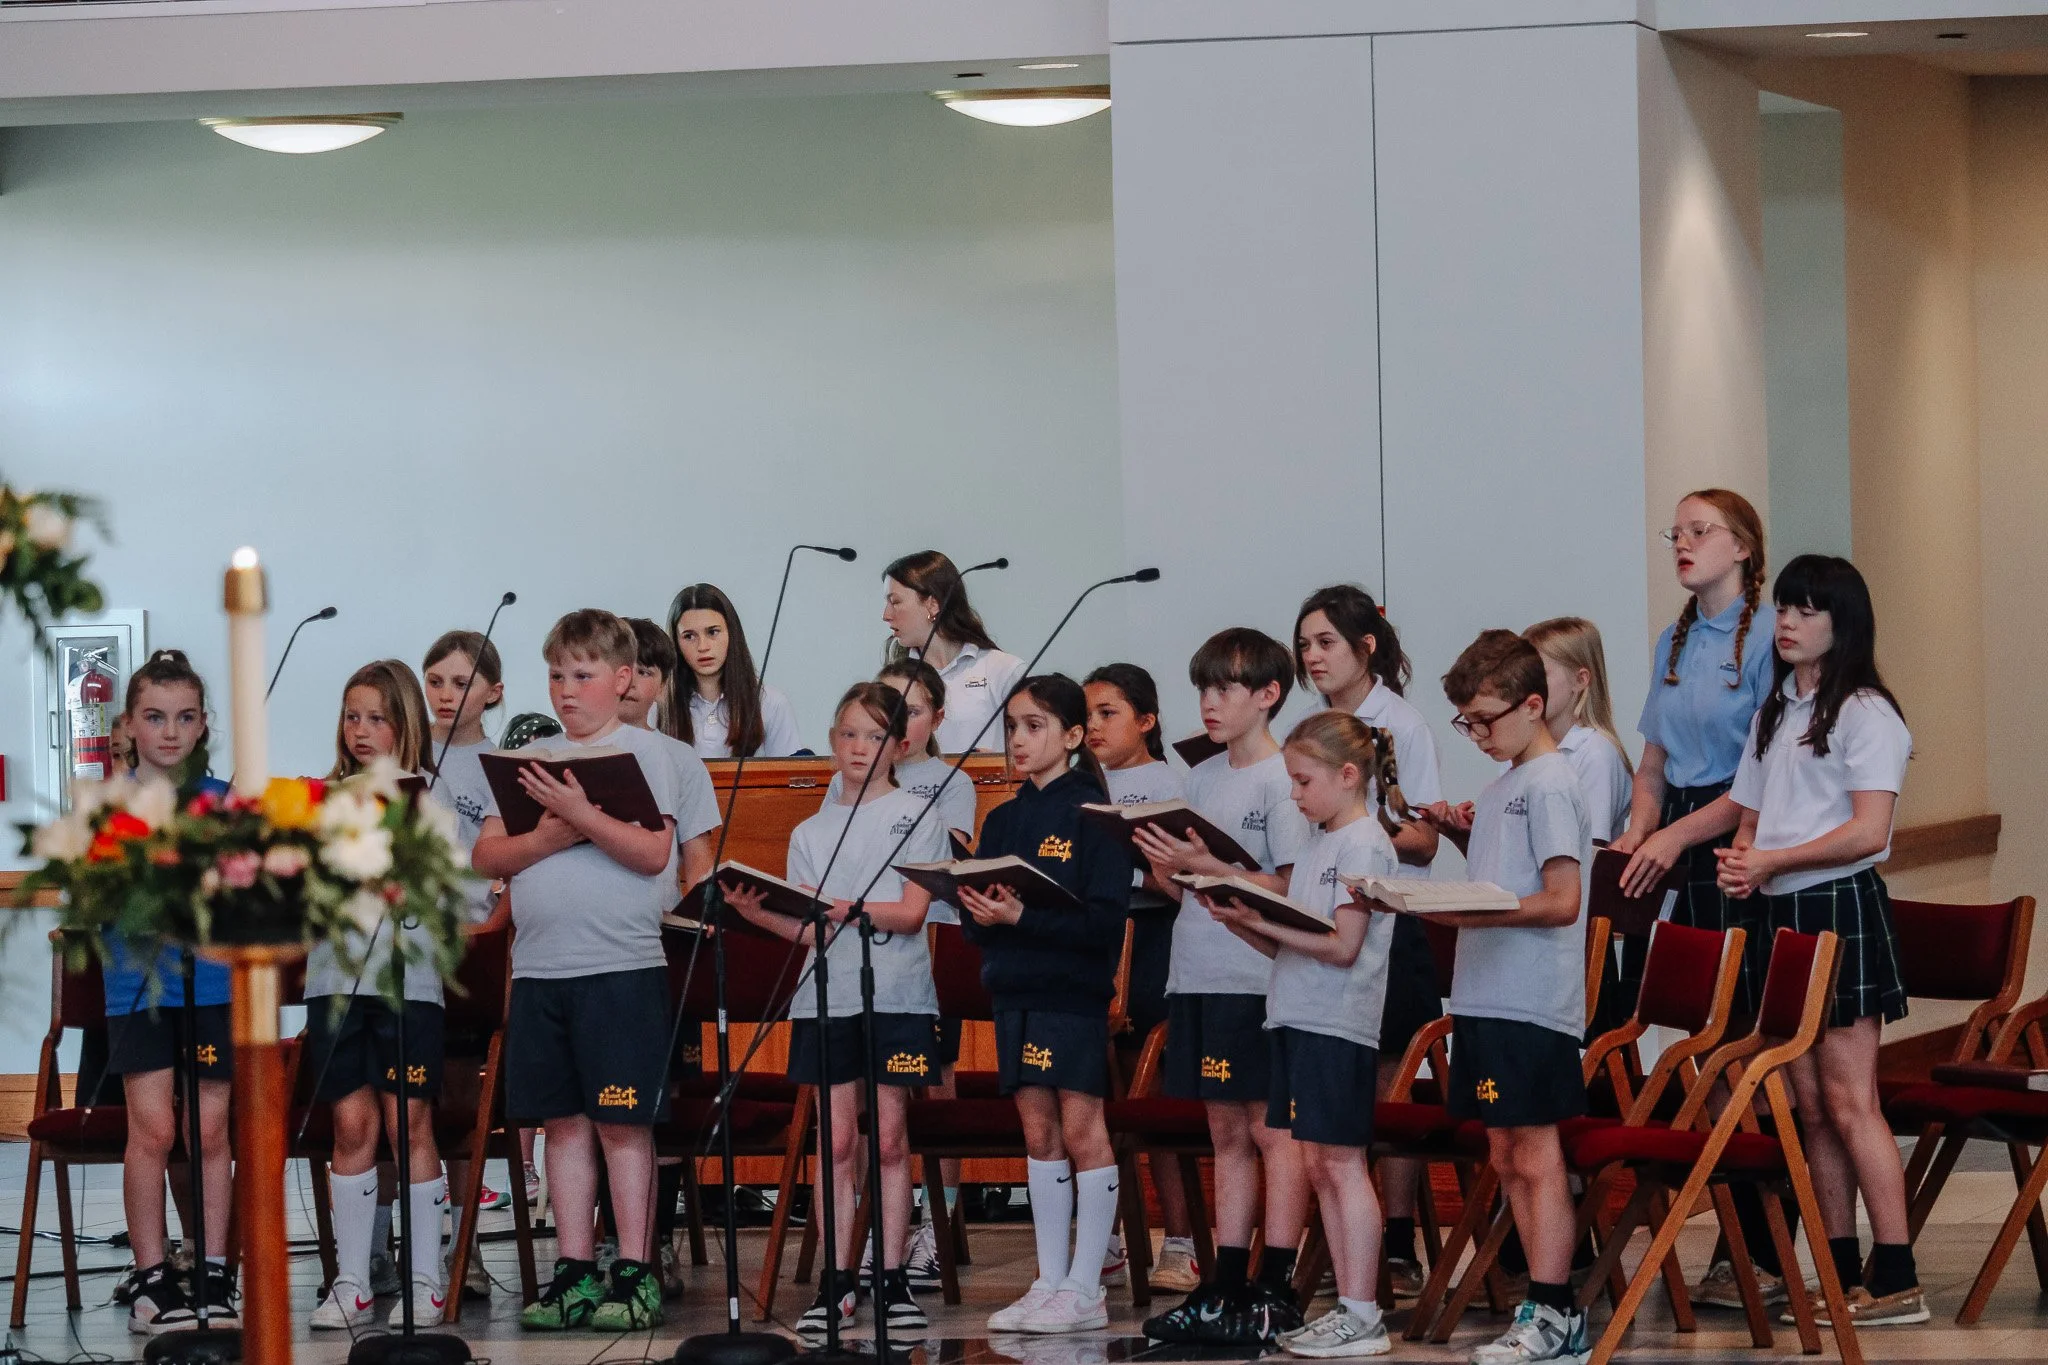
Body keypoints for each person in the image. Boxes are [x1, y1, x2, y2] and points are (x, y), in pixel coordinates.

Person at [474, 610, 718, 1332]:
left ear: (621, 678)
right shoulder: (530, 759)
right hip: (543, 967)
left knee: (621, 1120)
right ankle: (574, 1270)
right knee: (562, 1123)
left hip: (622, 967)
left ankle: (635, 1269)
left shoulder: (659, 755)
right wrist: (550, 832)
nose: (566, 688)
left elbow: (653, 856)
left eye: (583, 674)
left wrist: (582, 811)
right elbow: (488, 856)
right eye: (556, 673)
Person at [1716, 555, 1922, 1325]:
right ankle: (1837, 1267)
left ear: (1844, 623)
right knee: (1806, 1104)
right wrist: (1745, 856)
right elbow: (1751, 807)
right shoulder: (1777, 707)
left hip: (1837, 904)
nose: (1788, 622)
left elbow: (1870, 830)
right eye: (1783, 608)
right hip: (1779, 908)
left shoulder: (1866, 711)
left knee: (1849, 1097)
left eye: (1806, 610)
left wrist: (1773, 857)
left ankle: (1895, 1271)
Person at [725, 682, 953, 1339]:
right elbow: (812, 932)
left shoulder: (916, 813)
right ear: (833, 740)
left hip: (898, 994)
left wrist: (843, 906)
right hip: (826, 1000)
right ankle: (838, 1279)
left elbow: (911, 915)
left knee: (885, 1137)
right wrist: (755, 911)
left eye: (875, 736)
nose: (860, 747)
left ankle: (891, 1278)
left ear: (900, 746)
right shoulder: (808, 830)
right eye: (849, 734)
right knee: (837, 1140)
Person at [1610, 488, 1779, 1306]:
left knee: (1736, 1043)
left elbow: (1758, 777)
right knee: (1693, 1041)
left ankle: (1772, 1245)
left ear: (1743, 546)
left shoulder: (1770, 638)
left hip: (1733, 838)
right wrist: (1637, 831)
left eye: (1699, 530)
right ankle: (1737, 1244)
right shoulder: (1671, 638)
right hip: (1676, 833)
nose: (1682, 542)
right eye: (1674, 531)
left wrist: (1679, 837)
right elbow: (1652, 764)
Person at [1198, 710, 1404, 1358]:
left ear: (1348, 775)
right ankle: (1349, 1307)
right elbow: (1295, 943)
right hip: (1296, 1013)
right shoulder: (1321, 838)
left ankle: (1363, 1312)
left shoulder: (1365, 842)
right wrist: (1237, 918)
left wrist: (1270, 923)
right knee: (1318, 1163)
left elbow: (1342, 945)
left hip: (1338, 1024)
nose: (1294, 793)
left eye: (1303, 780)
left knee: (1341, 1164)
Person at [1413, 630, 1592, 1365]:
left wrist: (1467, 909)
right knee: (1505, 1149)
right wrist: (1462, 843)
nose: (1478, 734)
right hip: (1488, 995)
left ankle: (1557, 1311)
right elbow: (1505, 875)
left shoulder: (1550, 781)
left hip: (1531, 999)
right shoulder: (1503, 787)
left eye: (1487, 719)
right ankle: (1537, 1303)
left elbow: (1561, 899)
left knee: (1535, 1150)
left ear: (1533, 702)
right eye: (1467, 722)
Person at [1136, 628, 1312, 1347]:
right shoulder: (1202, 778)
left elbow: (1293, 885)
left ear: (1267, 694)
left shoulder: (1282, 777)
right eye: (1203, 688)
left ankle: (1276, 1281)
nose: (1209, 702)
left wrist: (1210, 863)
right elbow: (1182, 885)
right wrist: (1161, 859)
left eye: (1226, 688)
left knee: (1273, 1129)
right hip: (1200, 970)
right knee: (1224, 1130)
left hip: (1257, 973)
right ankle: (1227, 1275)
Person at [961, 675, 1131, 1335]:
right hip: (1016, 989)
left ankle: (1086, 1286)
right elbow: (980, 924)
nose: (1018, 740)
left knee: (1081, 1128)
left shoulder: (1096, 816)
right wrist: (979, 910)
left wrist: (1022, 913)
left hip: (1071, 993)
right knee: (1037, 1134)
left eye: (1034, 725)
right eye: (1012, 726)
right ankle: (1050, 1277)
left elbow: (1103, 929)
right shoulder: (1002, 818)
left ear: (1070, 735)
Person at [1293, 585, 1442, 1296]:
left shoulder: (1400, 723)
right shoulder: (1313, 725)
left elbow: (1424, 837)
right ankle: (1342, 1251)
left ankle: (1399, 1241)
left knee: (1390, 1082)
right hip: (1325, 911)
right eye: (1305, 644)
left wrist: (1360, 825)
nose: (1312, 655)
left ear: (1366, 647)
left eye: (1325, 642)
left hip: (1383, 915)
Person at [824, 657, 980, 1290]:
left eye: (910, 711)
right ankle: (866, 1234)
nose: (897, 724)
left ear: (927, 721)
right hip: (852, 960)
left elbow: (946, 873)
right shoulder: (833, 802)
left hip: (925, 947)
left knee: (923, 1098)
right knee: (853, 1116)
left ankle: (934, 1226)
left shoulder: (944, 786)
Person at [308, 660, 452, 1330]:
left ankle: (428, 1278)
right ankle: (352, 1280)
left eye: (377, 716)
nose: (362, 730)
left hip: (406, 983)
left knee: (408, 1124)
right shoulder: (320, 800)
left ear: (405, 721)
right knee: (351, 1125)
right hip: (335, 984)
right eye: (351, 715)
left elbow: (458, 892)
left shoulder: (432, 795)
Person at [99, 650, 239, 1334]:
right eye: (155, 717)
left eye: (185, 717)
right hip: (139, 988)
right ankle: (154, 1277)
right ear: (130, 723)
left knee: (209, 1130)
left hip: (211, 983)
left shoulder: (221, 801)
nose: (170, 731)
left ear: (203, 724)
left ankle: (214, 1268)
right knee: (152, 1130)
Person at [1082, 661, 1197, 1292]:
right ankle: (1111, 1237)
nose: (1094, 726)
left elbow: (1180, 887)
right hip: (1095, 943)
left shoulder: (1167, 783)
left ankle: (1180, 1241)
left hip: (1149, 944)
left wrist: (1127, 864)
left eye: (1109, 713)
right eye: (1088, 715)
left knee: (1150, 1097)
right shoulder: (1081, 781)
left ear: (1146, 720)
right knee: (1096, 1100)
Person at [422, 630, 513, 1297]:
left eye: (462, 681)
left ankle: (465, 1248)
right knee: (400, 1100)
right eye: (436, 680)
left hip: (473, 945)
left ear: (495, 691)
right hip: (408, 942)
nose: (448, 694)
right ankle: (391, 1245)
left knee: (456, 1097)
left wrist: (485, 926)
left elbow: (511, 871)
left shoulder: (504, 766)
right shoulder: (405, 756)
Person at [882, 550, 1024, 754]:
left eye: (895, 602)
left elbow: (1034, 749)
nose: (885, 615)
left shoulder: (1004, 670)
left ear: (932, 604)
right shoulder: (894, 681)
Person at [660, 583, 802, 758]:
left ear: (731, 633)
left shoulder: (771, 704)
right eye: (689, 636)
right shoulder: (659, 704)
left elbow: (788, 779)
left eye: (712, 632)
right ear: (675, 642)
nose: (702, 646)